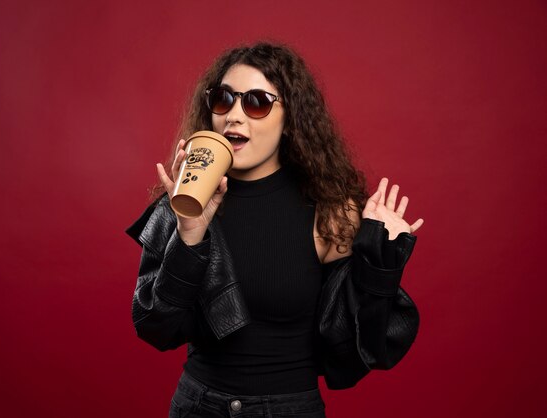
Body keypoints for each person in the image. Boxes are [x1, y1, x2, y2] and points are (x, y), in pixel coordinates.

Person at [126, 42, 424, 418]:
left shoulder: (331, 212)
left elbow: (366, 350)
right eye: (224, 99)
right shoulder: (182, 202)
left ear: (290, 120)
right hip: (199, 407)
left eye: (256, 102)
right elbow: (157, 330)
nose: (234, 115)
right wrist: (189, 234)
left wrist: (379, 264)